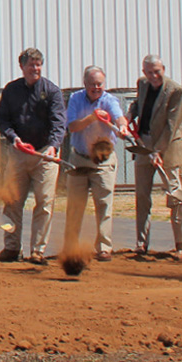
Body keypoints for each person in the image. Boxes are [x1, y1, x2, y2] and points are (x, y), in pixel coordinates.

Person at [0, 48, 67, 264]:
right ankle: (11, 247)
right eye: (31, 65)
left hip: (45, 153)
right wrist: (13, 138)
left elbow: (59, 122)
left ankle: (38, 250)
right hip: (18, 152)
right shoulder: (11, 90)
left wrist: (53, 146)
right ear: (22, 66)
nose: (35, 68)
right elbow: (3, 120)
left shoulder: (52, 91)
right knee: (12, 202)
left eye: (38, 64)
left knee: (44, 202)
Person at [128, 54, 182, 259]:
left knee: (174, 195)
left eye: (157, 71)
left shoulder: (176, 90)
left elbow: (172, 125)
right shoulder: (143, 84)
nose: (154, 75)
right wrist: (127, 117)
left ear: (164, 68)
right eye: (149, 72)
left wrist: (158, 151)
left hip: (168, 147)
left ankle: (181, 245)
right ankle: (141, 243)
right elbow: (138, 104)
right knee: (142, 196)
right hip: (144, 144)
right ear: (144, 72)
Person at [63, 65, 126, 261]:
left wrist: (122, 127)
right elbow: (72, 126)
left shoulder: (110, 100)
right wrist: (93, 117)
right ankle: (71, 246)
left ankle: (104, 247)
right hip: (80, 158)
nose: (96, 88)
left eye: (99, 84)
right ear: (85, 84)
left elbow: (119, 118)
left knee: (104, 204)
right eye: (92, 84)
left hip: (103, 162)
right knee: (75, 205)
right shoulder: (75, 99)